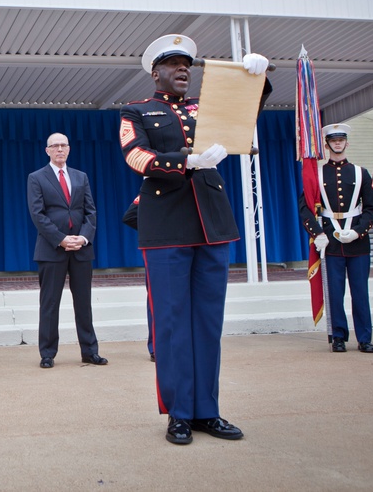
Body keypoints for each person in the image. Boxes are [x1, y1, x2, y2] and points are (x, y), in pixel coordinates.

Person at [119, 34, 269, 445]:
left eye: (188, 63)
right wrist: (185, 161)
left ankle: (207, 410)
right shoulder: (137, 110)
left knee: (207, 322)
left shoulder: (206, 110)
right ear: (156, 72)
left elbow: (242, 116)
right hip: (166, 226)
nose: (184, 69)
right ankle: (179, 413)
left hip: (211, 224)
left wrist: (255, 78)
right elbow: (136, 155)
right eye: (174, 63)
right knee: (171, 324)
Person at [27, 132, 106, 369]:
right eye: (55, 146)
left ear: (69, 149)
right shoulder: (36, 177)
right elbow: (37, 214)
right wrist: (61, 239)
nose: (60, 149)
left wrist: (83, 237)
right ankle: (48, 353)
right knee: (50, 303)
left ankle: (90, 351)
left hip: (81, 249)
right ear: (47, 150)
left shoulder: (80, 177)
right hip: (52, 249)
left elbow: (90, 211)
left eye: (63, 145)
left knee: (84, 302)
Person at [298, 124, 373, 353]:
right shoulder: (318, 174)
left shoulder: (361, 172)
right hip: (329, 240)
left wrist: (358, 231)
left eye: (341, 140)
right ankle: (338, 336)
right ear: (327, 144)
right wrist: (318, 234)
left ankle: (365, 338)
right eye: (333, 140)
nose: (337, 143)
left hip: (357, 240)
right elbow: (304, 209)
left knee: (360, 292)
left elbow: (371, 208)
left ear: (347, 143)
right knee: (334, 292)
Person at [122, 194, 153, 362]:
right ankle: (155, 347)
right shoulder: (150, 190)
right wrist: (153, 231)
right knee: (156, 301)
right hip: (159, 248)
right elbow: (130, 217)